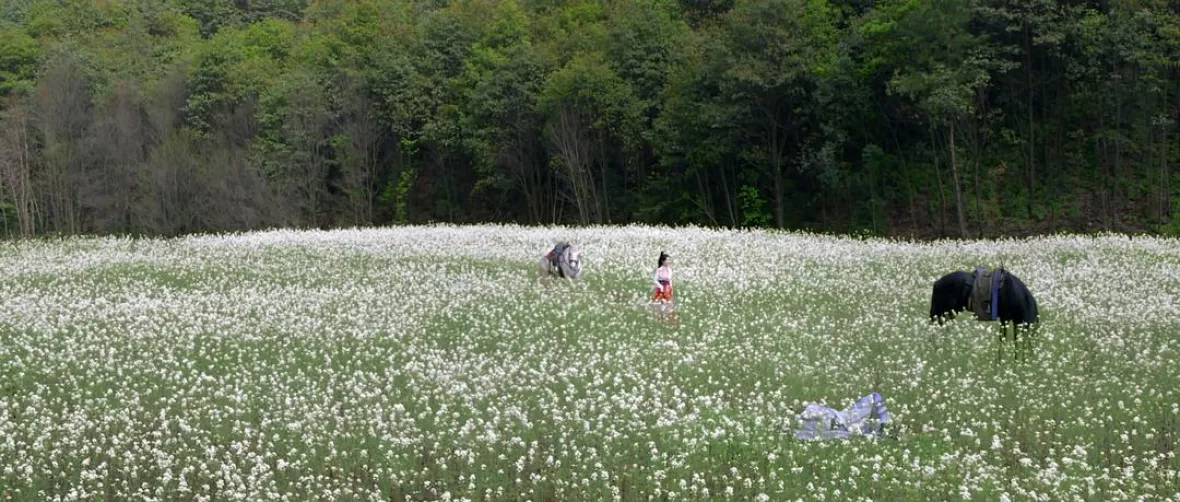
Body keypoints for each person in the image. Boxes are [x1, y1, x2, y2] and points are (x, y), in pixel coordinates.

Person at [791, 392, 891, 440]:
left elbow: (875, 397)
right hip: (841, 424)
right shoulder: (803, 428)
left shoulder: (810, 411)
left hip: (843, 419)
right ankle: (884, 426)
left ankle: (884, 425)